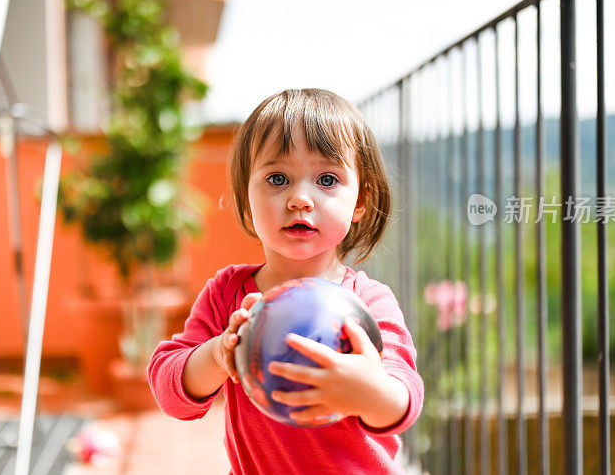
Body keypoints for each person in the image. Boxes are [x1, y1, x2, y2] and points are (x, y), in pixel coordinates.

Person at [148, 88, 424, 474]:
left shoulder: (368, 303)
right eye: (277, 178)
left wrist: (370, 390)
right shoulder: (228, 295)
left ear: (360, 201)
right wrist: (217, 354)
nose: (300, 198)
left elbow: (404, 398)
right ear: (246, 198)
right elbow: (169, 391)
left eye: (327, 179)